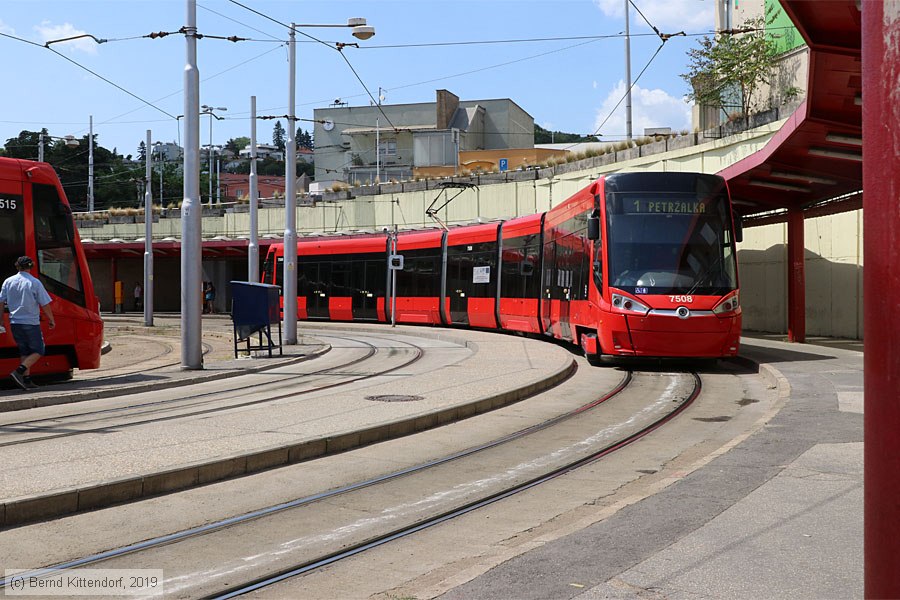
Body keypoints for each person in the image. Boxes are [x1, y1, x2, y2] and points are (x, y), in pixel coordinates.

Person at [0, 256, 55, 390]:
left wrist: (1, 320)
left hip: (14, 323)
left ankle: (26, 379)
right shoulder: (34, 282)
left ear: (17, 266)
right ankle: (19, 371)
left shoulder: (8, 281)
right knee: (38, 350)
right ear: (31, 267)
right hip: (30, 322)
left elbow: (1, 302)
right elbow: (45, 303)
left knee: (25, 351)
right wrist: (51, 319)